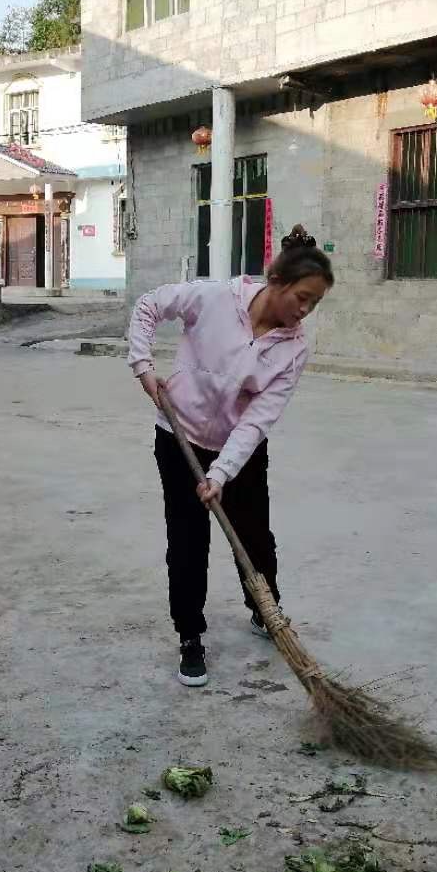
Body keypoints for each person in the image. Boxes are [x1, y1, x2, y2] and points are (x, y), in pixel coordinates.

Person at [127, 226, 334, 687]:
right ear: (275, 280)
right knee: (187, 542)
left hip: (239, 451)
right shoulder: (214, 298)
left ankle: (265, 609)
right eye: (301, 297)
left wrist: (220, 473)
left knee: (256, 537)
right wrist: (142, 365)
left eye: (313, 304)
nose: (304, 310)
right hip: (179, 440)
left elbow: (259, 418)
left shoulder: (293, 348)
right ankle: (189, 635)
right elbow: (149, 306)